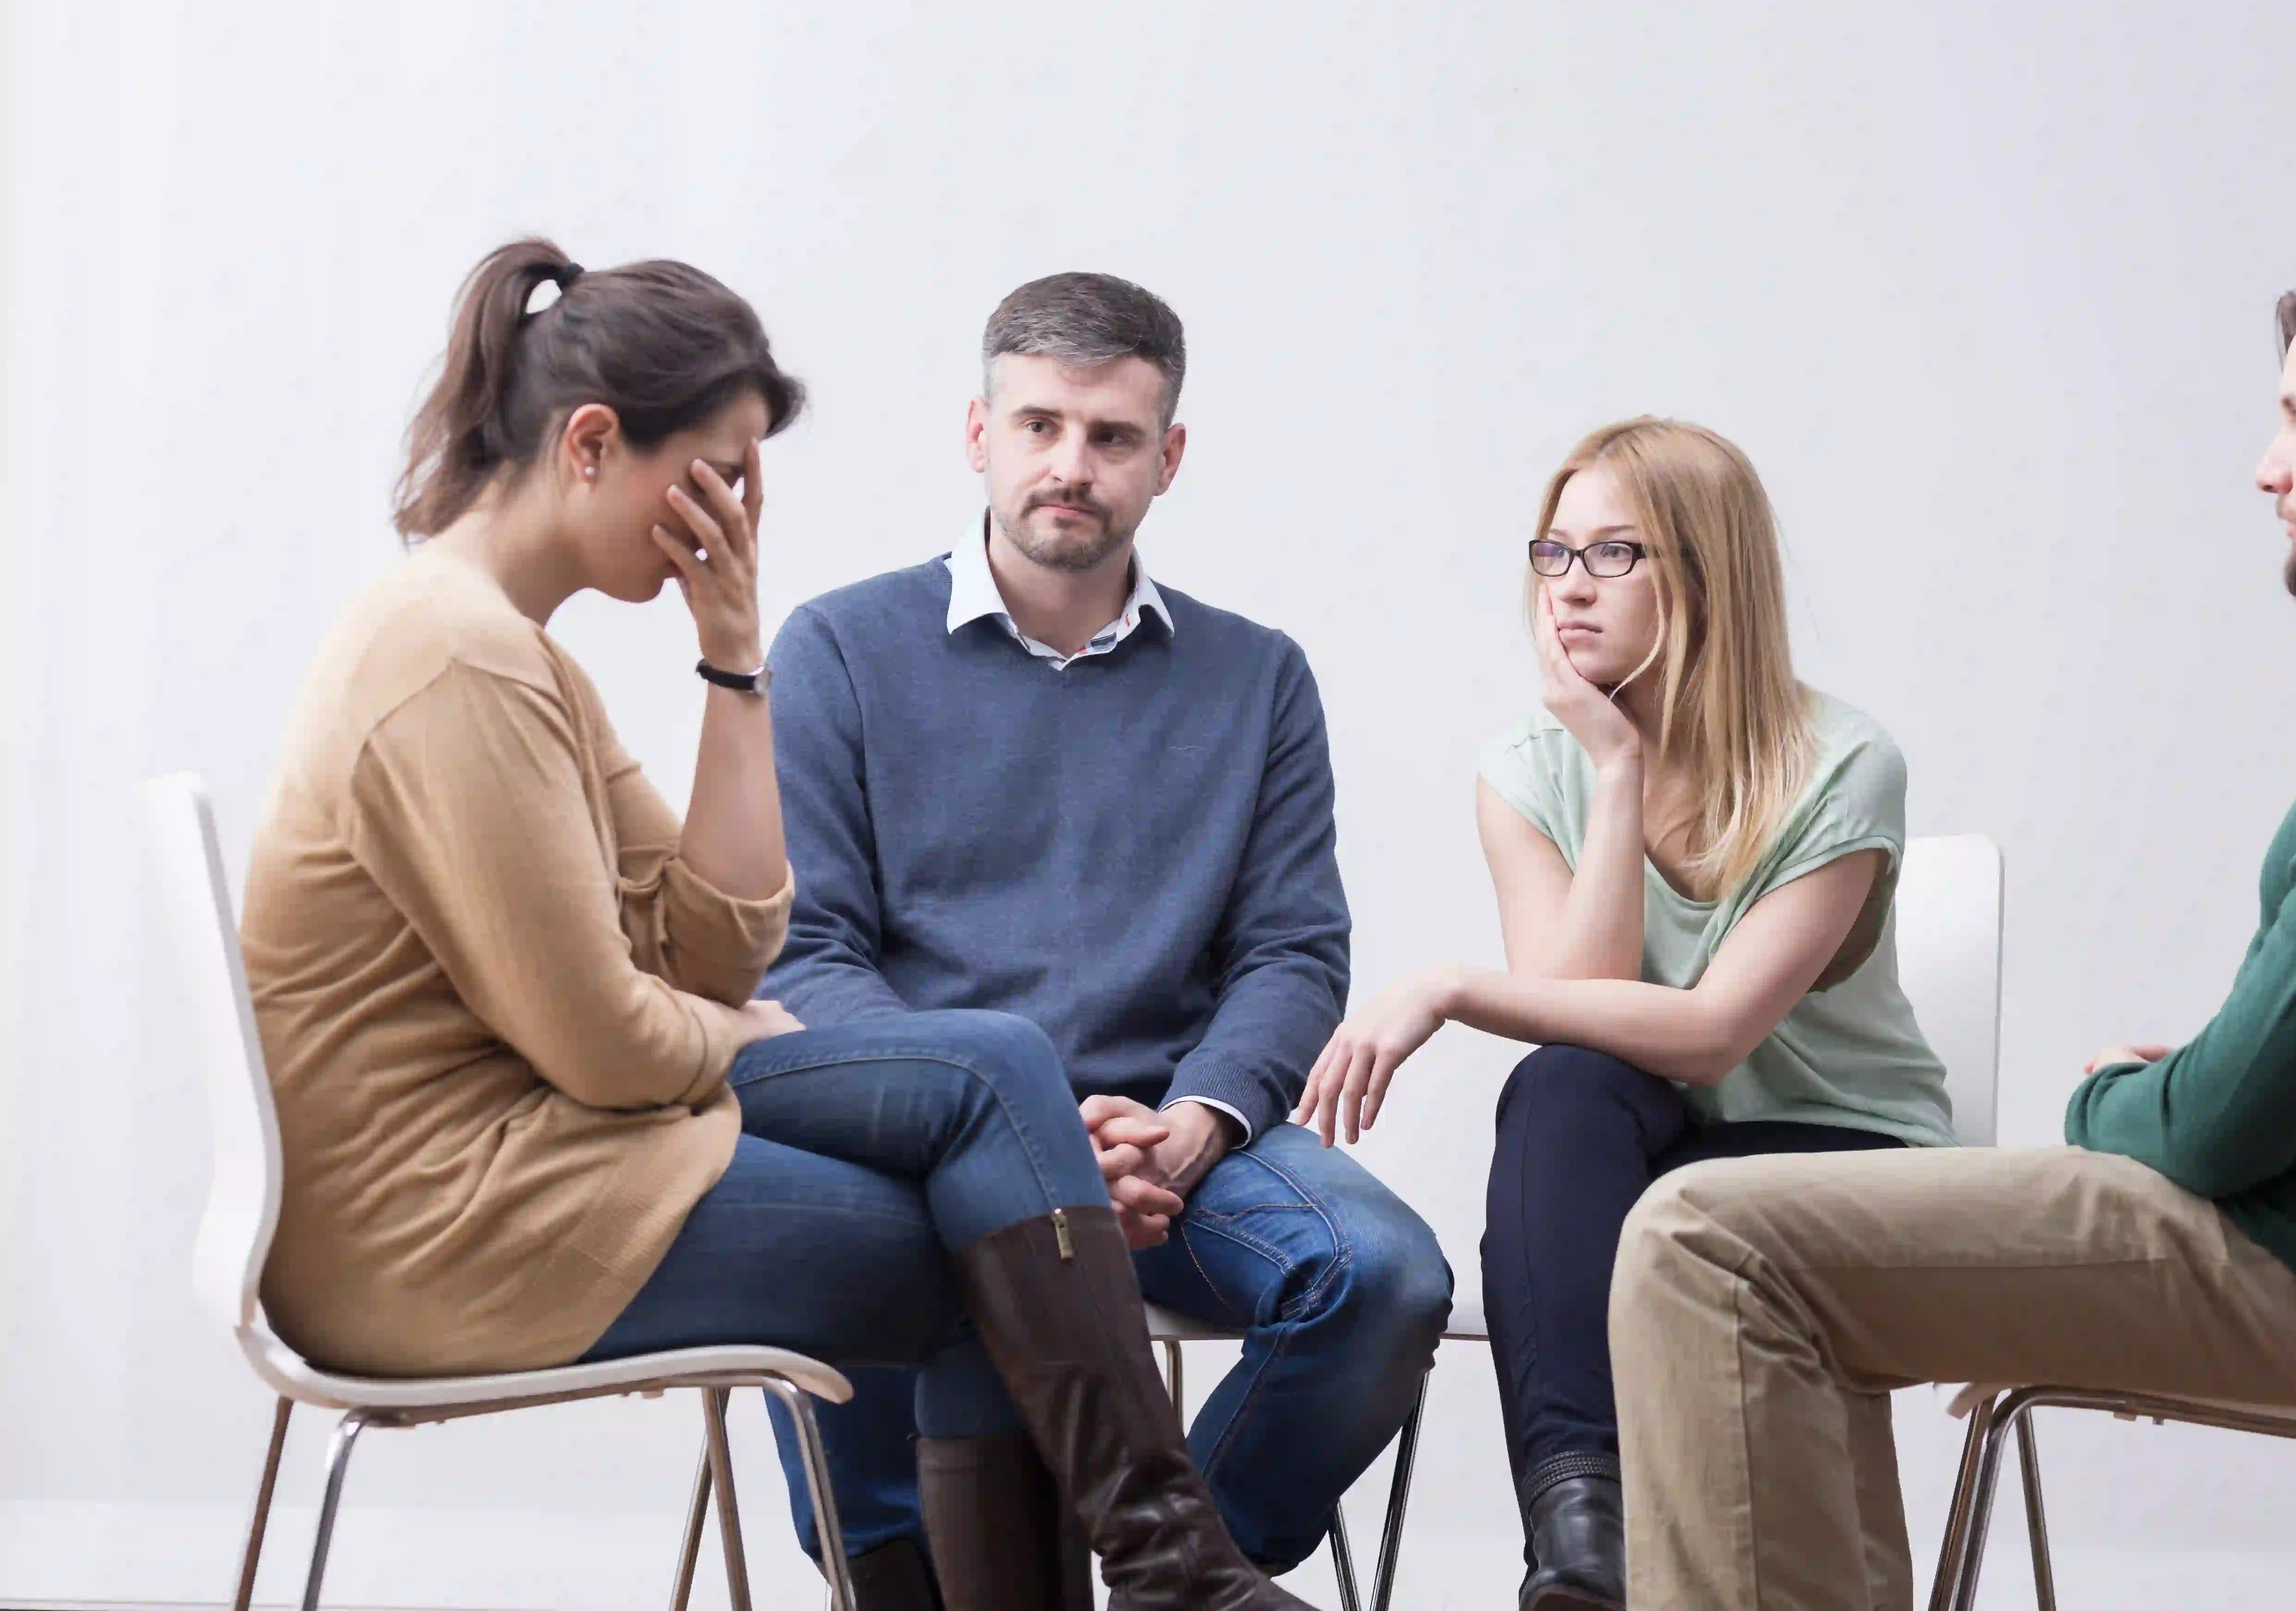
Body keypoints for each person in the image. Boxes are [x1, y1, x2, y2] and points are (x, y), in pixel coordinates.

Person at [237, 240, 1320, 1611]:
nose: (741, 513)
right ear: (592, 445)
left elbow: (712, 944)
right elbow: (619, 1047)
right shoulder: (455, 655)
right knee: (1001, 1191)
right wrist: (744, 1030)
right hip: (442, 1228)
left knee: (1005, 1144)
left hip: (519, 1171)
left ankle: (1160, 1574)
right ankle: (1176, 1573)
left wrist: (735, 653)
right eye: (725, 472)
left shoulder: (516, 652)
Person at [1607, 238, 2296, 1611]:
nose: (2269, 467)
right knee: (1770, 1253)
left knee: (1704, 1242)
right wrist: (2213, 1078)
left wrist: (2119, 1098)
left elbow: (2222, 1131)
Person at [760, 271, 1454, 1606]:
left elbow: (1294, 950)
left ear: (1168, 458)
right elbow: (811, 954)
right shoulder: (841, 651)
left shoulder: (1256, 677)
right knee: (841, 1271)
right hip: (927, 1145)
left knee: (1378, 1278)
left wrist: (1195, 1119)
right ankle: (916, 1584)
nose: (1069, 467)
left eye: (1112, 438)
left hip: (1174, 1148)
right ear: (979, 433)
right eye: (1039, 427)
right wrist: (1010, 1139)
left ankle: (1180, 1579)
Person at [1293, 417, 1955, 1610]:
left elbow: (1712, 1034)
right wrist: (1613, 773)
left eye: (1615, 556)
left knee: (1640, 1185)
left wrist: (1444, 986)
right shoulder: (1531, 767)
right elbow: (1577, 1021)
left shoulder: (1841, 763)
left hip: (1840, 1154)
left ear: (1707, 576)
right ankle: (1583, 1551)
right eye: (1554, 555)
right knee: (1562, 1089)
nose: (1568, 591)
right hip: (1653, 1162)